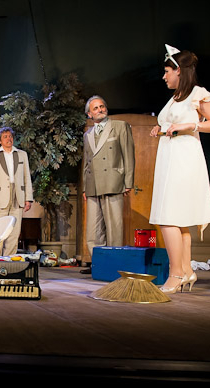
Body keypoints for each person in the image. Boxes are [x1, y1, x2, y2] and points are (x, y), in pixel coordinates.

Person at [148, 45, 210, 294]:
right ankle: (186, 270)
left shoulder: (197, 94)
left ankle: (175, 274)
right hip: (169, 157)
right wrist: (161, 129)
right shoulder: (175, 97)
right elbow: (173, 124)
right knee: (178, 220)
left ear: (179, 70)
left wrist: (190, 126)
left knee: (169, 217)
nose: (164, 76)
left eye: (167, 71)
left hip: (184, 160)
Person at [81, 96, 135, 270]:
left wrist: (128, 181)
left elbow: (128, 154)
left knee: (114, 227)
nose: (100, 110)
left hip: (113, 181)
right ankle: (99, 263)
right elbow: (87, 163)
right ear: (89, 114)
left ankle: (114, 264)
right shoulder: (87, 134)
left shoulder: (119, 126)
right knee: (93, 230)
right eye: (96, 108)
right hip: (93, 185)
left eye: (102, 106)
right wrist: (84, 187)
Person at [0, 127, 34, 256]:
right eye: (5, 137)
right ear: (0, 141)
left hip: (17, 196)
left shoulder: (22, 154)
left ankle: (9, 260)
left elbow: (26, 177)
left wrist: (28, 198)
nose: (9, 139)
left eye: (10, 136)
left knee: (14, 232)